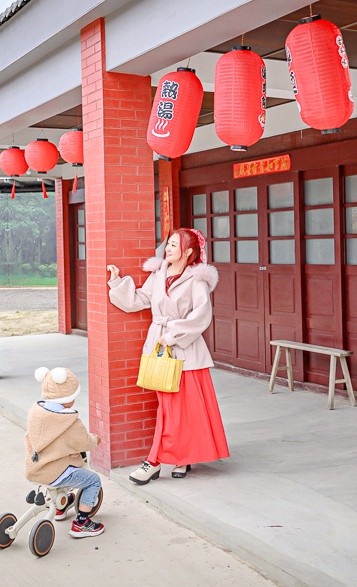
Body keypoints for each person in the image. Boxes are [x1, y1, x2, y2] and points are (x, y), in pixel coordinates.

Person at [107, 227, 230, 484]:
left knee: (182, 411)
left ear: (188, 251)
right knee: (169, 409)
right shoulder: (158, 273)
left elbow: (201, 315)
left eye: (175, 244)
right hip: (161, 350)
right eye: (169, 243)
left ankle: (156, 461)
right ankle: (175, 458)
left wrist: (173, 335)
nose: (168, 248)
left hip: (186, 353)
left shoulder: (197, 280)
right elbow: (140, 299)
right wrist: (117, 283)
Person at [24, 366, 104, 538]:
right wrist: (94, 440)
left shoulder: (36, 413)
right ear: (68, 399)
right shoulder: (69, 422)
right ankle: (82, 523)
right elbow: (83, 442)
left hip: (35, 469)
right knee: (93, 480)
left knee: (64, 465)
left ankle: (61, 507)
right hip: (55, 472)